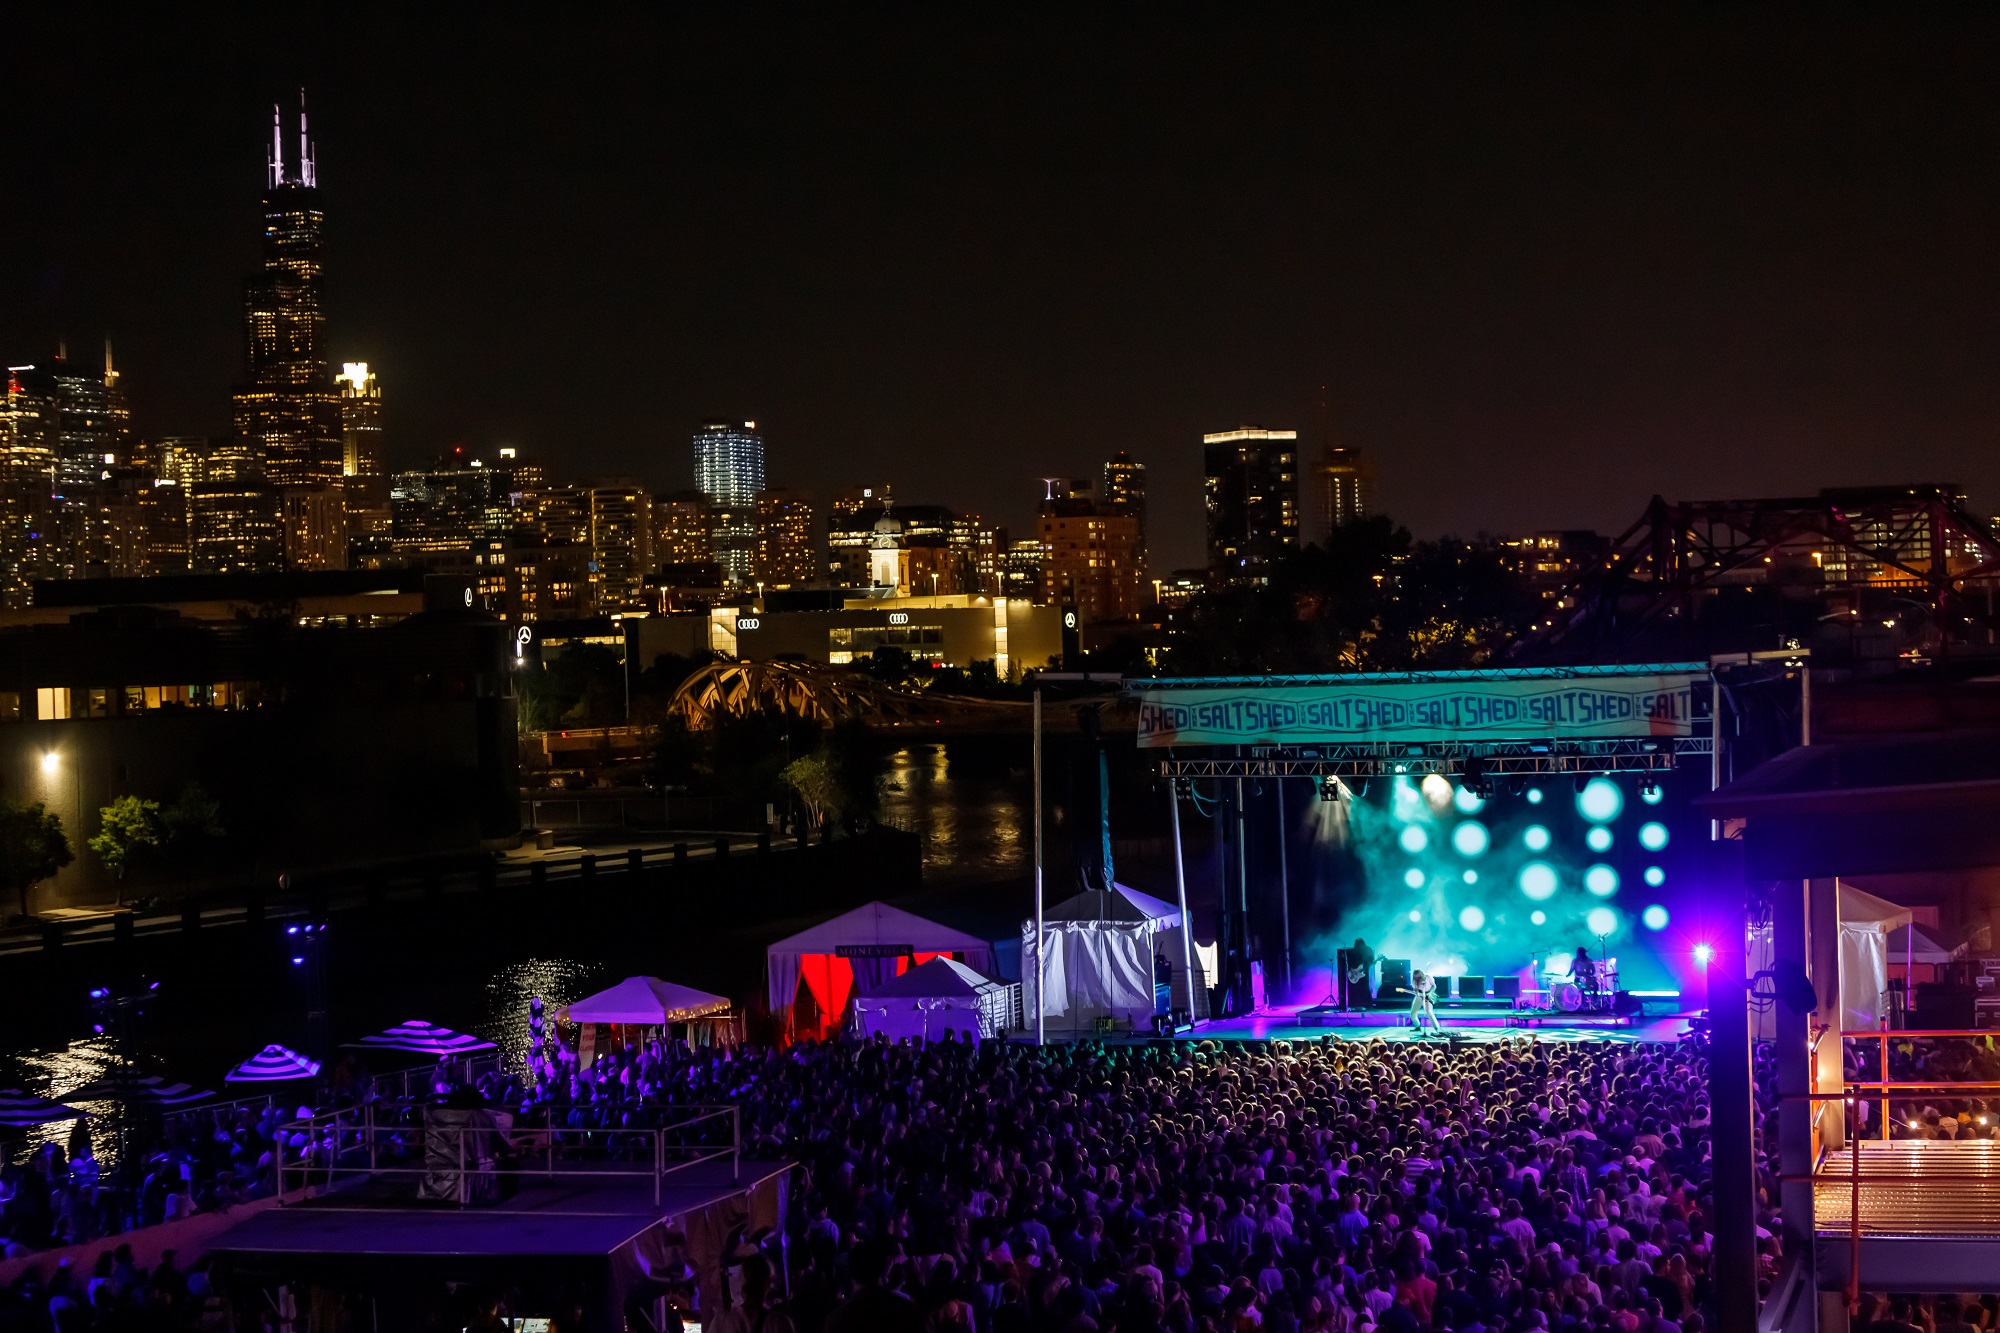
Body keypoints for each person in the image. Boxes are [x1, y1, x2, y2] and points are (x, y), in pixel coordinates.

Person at [1346, 937, 1377, 1009]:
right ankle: (1367, 1004)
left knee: (1356, 988)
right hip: (1361, 972)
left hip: (1356, 972)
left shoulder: (1353, 951)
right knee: (1365, 987)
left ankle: (1354, 1003)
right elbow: (1372, 961)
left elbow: (1349, 963)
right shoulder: (1368, 949)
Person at [1409, 969, 1442, 1035]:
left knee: (1429, 1012)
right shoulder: (1414, 981)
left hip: (1428, 995)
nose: (1417, 977)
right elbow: (1415, 989)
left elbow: (1434, 986)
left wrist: (1429, 993)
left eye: (1418, 976)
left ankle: (1437, 1028)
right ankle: (1417, 1026)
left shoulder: (1428, 977)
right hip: (1419, 995)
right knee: (1413, 1013)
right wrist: (1416, 992)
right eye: (1416, 976)